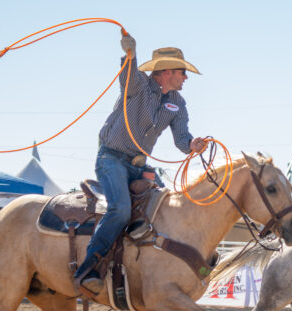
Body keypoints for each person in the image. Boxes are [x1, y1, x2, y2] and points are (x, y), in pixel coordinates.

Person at [75, 36, 209, 294]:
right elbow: (128, 75)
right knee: (121, 210)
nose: (186, 78)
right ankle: (89, 267)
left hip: (139, 166)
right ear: (167, 71)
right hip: (111, 159)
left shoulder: (178, 103)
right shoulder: (138, 86)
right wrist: (130, 54)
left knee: (165, 207)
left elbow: (182, 138)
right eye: (183, 72)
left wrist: (192, 145)